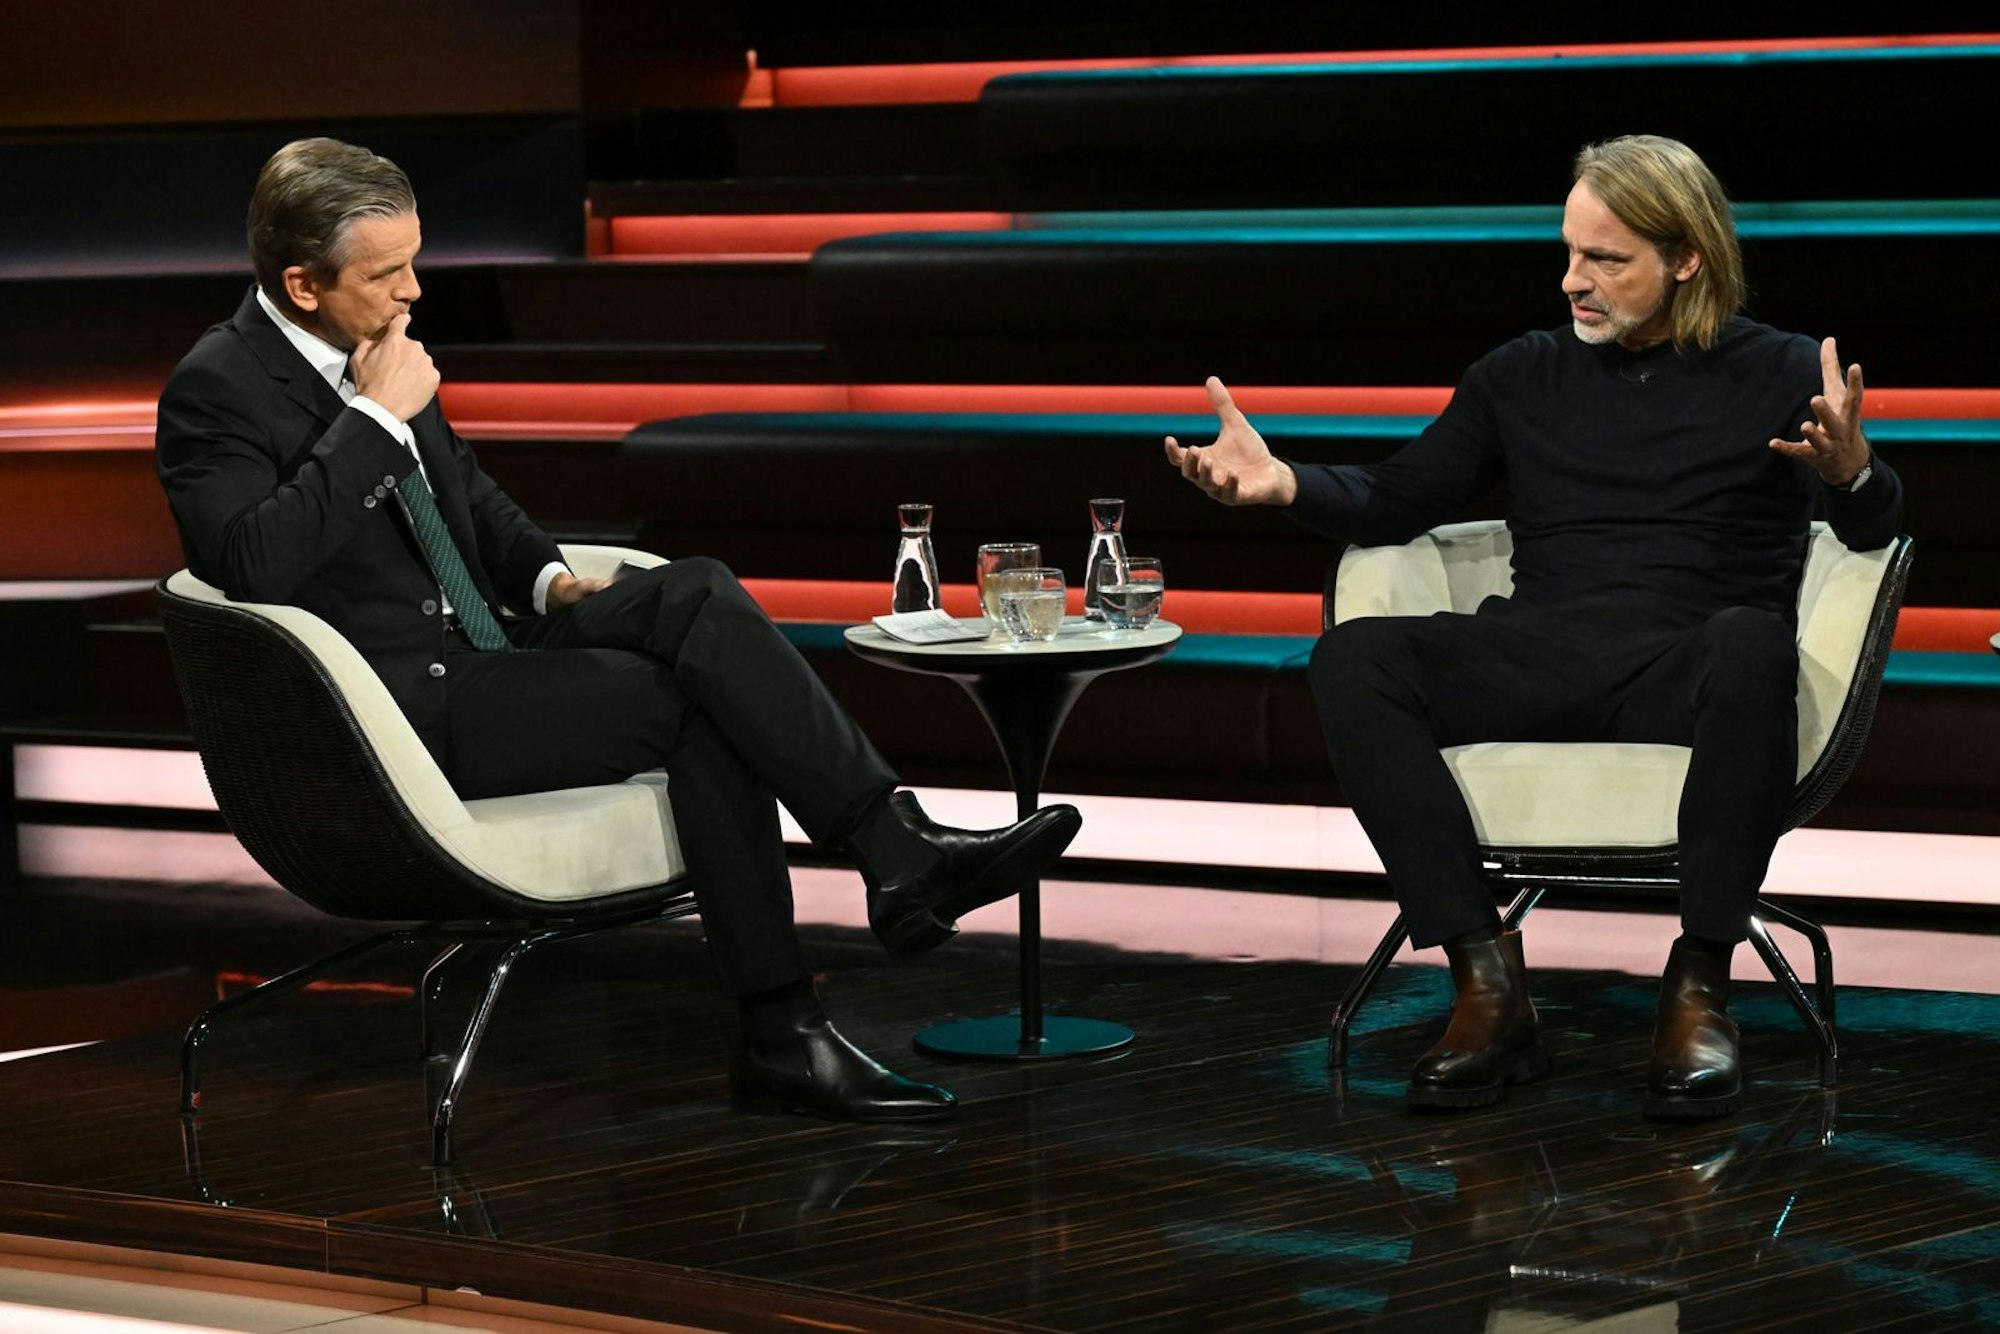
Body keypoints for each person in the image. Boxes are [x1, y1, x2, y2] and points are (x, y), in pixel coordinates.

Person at [156, 137, 1083, 1124]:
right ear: (302, 283)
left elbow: (462, 490)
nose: (412, 293)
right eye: (386, 275)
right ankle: (790, 1022)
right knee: (686, 707)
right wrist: (375, 421)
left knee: (697, 590)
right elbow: (249, 563)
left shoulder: (374, 350)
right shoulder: (218, 388)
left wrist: (550, 577)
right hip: (400, 706)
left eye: (413, 262)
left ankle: (889, 842)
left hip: (494, 640)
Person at [1165, 135, 1902, 1118]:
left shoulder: (1776, 370)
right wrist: (1282, 482)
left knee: (1752, 641)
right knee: (1354, 655)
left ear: (1683, 259)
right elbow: (1398, 496)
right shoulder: (1519, 373)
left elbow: (1871, 529)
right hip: (1539, 649)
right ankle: (1484, 982)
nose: (1572, 280)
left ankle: (1697, 990)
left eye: (1605, 259)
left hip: (1684, 661)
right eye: (1567, 252)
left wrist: (1852, 470)